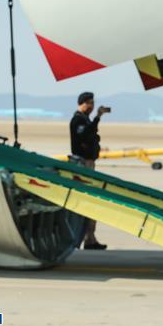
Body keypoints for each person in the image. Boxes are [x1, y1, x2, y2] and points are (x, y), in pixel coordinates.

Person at [70, 91, 110, 250]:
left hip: (89, 162)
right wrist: (98, 118)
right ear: (81, 103)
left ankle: (90, 238)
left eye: (92, 103)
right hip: (82, 163)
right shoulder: (78, 120)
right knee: (86, 200)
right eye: (88, 103)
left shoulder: (84, 120)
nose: (91, 106)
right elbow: (85, 134)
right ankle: (85, 238)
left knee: (91, 200)